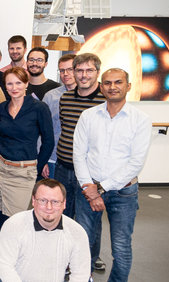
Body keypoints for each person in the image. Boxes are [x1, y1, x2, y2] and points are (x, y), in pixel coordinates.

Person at [74, 68, 151, 281]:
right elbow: (79, 155)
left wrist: (100, 189)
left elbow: (135, 163)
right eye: (107, 83)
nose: (112, 87)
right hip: (88, 190)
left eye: (118, 82)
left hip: (123, 193)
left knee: (121, 247)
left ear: (128, 86)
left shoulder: (140, 120)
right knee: (83, 242)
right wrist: (89, 187)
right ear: (101, 87)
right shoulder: (88, 116)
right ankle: (83, 278)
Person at [0, 179, 90, 281]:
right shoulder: (14, 225)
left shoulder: (77, 232)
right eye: (43, 201)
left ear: (64, 204)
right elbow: (3, 265)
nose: (49, 207)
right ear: (33, 201)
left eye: (55, 202)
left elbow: (81, 274)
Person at [0, 67, 53, 224]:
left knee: (14, 219)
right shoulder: (3, 107)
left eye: (18, 83)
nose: (14, 88)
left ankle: (15, 248)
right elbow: (1, 135)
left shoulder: (39, 108)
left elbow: (48, 141)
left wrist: (36, 169)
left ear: (26, 84)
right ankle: (1, 247)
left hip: (22, 172)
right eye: (9, 84)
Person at [53, 53, 106, 225]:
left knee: (88, 221)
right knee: (62, 216)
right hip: (64, 167)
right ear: (74, 72)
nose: (84, 75)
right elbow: (65, 128)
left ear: (98, 72)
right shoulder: (66, 98)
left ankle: (91, 254)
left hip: (90, 172)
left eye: (89, 70)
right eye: (79, 70)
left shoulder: (105, 100)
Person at [40, 54, 77, 180]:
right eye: (62, 70)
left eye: (70, 69)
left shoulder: (87, 98)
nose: (65, 74)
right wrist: (43, 159)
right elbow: (42, 130)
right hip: (53, 159)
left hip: (80, 161)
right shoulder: (50, 96)